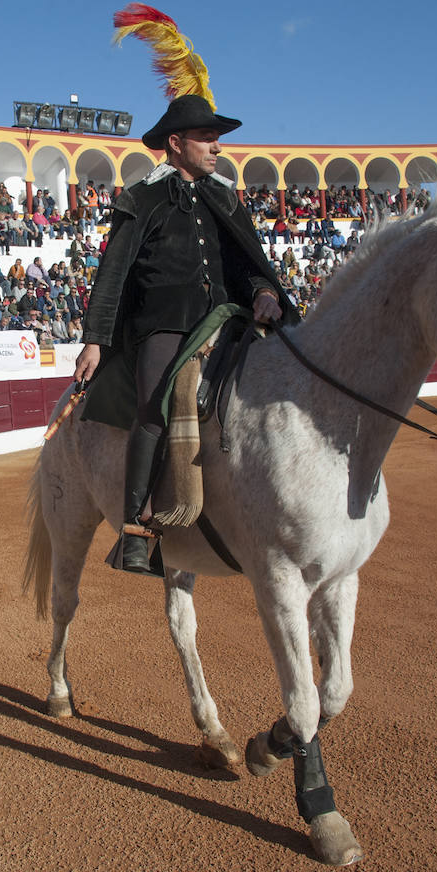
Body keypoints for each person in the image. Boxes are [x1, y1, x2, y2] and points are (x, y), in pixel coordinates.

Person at [72, 94, 294, 573]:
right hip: (165, 324)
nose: (217, 147)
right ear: (175, 143)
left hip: (227, 319)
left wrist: (263, 290)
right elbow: (113, 273)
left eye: (218, 140)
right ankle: (135, 531)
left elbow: (246, 262)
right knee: (155, 410)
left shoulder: (223, 198)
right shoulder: (143, 198)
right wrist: (95, 339)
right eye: (206, 138)